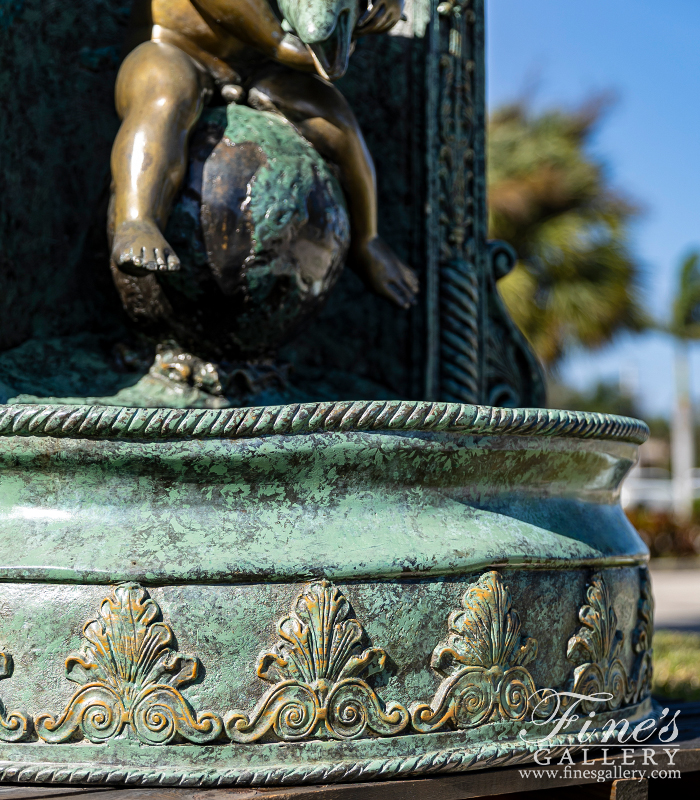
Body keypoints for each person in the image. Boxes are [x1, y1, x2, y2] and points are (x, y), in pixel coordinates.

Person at [110, 0, 419, 309]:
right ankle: (137, 220)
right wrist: (278, 44)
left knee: (338, 126)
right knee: (164, 98)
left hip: (259, 67)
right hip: (173, 46)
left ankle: (367, 240)